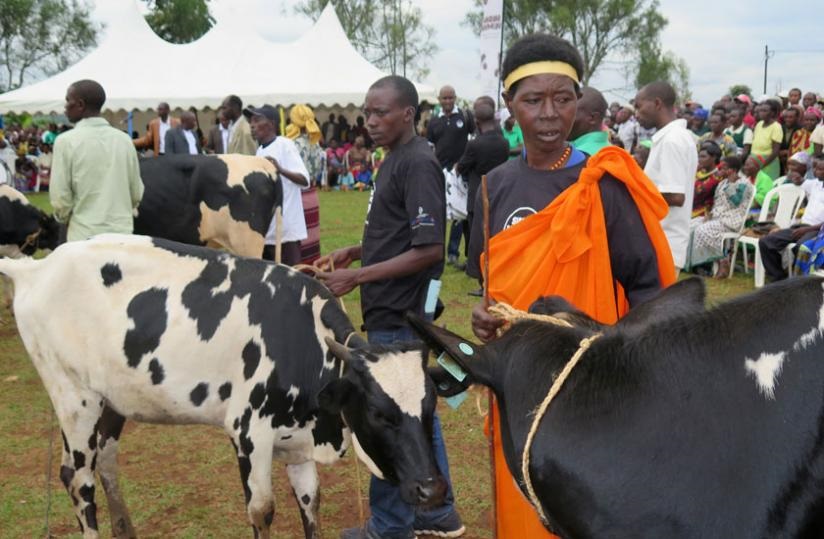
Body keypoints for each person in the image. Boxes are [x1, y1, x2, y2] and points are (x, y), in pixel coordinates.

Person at [467, 34, 675, 539]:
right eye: (532, 99)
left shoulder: (602, 184)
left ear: (578, 103)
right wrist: (483, 317)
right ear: (510, 104)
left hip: (591, 380)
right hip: (518, 378)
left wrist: (627, 362)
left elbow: (647, 284)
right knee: (523, 500)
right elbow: (492, 282)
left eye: (563, 98)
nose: (549, 113)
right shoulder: (494, 187)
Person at [316, 75, 465, 539]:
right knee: (416, 418)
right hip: (387, 309)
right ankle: (436, 513)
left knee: (387, 422)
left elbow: (428, 250)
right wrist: (354, 253)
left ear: (408, 114)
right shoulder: (396, 159)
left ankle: (390, 526)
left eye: (381, 112)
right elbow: (398, 234)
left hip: (399, 316)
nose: (370, 121)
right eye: (367, 111)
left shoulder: (419, 162)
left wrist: (356, 277)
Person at [50, 79, 143, 242]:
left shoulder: (66, 141)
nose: (65, 106)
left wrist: (64, 217)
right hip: (123, 238)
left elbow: (61, 200)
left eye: (67, 100)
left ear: (80, 104)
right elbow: (136, 193)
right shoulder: (124, 140)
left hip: (84, 238)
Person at [636, 80, 699, 273]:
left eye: (639, 107)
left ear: (657, 103)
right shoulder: (670, 138)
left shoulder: (673, 140)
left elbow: (675, 196)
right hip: (658, 241)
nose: (636, 114)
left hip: (665, 244)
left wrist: (634, 194)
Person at [246, 104, 309, 265]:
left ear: (272, 124)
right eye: (250, 121)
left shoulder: (284, 144)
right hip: (269, 227)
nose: (252, 125)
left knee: (292, 274)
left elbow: (304, 179)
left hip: (286, 227)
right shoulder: (260, 151)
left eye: (257, 120)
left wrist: (280, 169)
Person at [456, 97, 509, 282]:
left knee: (476, 238)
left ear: (477, 123)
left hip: (477, 194)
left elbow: (461, 167)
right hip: (500, 194)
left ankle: (480, 278)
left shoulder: (474, 144)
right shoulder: (503, 142)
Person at [427, 84, 475, 268]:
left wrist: (462, 164)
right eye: (444, 98)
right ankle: (434, 252)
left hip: (460, 173)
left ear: (455, 98)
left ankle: (453, 253)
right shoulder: (434, 121)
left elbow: (472, 142)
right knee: (438, 211)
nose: (447, 101)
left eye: (450, 98)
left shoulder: (464, 117)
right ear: (439, 100)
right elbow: (430, 147)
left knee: (457, 213)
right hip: (439, 172)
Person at [759, 155, 824, 282]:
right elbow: (800, 181)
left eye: (821, 169)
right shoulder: (815, 184)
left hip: (818, 230)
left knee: (800, 247)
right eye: (815, 168)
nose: (816, 172)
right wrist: (795, 177)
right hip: (801, 226)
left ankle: (797, 282)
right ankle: (778, 279)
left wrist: (806, 230)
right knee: (766, 242)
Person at [685, 155, 753, 275]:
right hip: (717, 218)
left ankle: (721, 260)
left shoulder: (744, 184)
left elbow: (736, 201)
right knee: (690, 226)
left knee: (702, 230)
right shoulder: (722, 183)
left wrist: (731, 184)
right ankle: (695, 264)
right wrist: (709, 215)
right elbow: (718, 204)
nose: (719, 170)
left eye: (723, 168)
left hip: (731, 220)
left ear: (732, 170)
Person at [284, 104, 325, 265]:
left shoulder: (292, 145)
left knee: (297, 239)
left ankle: (299, 272)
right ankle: (312, 272)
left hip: (297, 196)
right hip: (312, 195)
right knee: (311, 239)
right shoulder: (315, 143)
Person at [568, 86, 610, 155]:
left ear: (593, 118)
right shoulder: (610, 149)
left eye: (571, 112)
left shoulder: (582, 156)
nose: (564, 118)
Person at [751, 99, 783, 181]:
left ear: (772, 113)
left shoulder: (776, 127)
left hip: (768, 163)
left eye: (765, 111)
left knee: (766, 185)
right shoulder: (759, 124)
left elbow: (775, 152)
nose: (761, 113)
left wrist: (762, 165)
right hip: (754, 161)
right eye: (761, 110)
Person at [692, 142, 723, 218]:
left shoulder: (718, 177)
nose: (699, 160)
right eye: (699, 157)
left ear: (714, 158)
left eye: (703, 157)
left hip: (703, 214)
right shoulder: (697, 172)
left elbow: (699, 194)